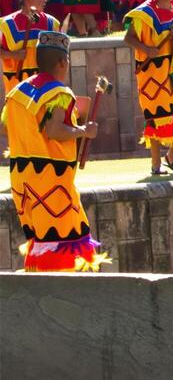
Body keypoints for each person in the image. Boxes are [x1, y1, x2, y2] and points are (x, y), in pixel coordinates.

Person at [3, 30, 103, 271]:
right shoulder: (59, 93)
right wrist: (83, 131)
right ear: (62, 61)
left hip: (22, 180)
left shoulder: (16, 93)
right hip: (50, 181)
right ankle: (61, 293)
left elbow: (4, 128)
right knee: (65, 239)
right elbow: (55, 130)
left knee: (40, 240)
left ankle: (40, 288)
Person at [122, 0, 173, 176]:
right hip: (153, 72)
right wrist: (146, 49)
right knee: (156, 116)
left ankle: (171, 155)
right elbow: (129, 38)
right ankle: (155, 164)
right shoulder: (144, 13)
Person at [1, 0, 59, 97]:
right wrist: (14, 55)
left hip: (44, 88)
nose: (45, 0)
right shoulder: (7, 24)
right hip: (17, 90)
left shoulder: (51, 23)